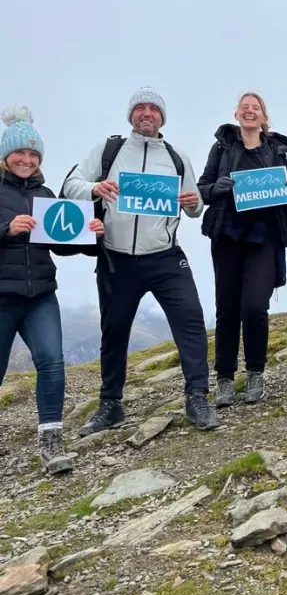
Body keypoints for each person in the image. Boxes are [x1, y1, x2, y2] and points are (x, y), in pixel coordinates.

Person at [62, 86, 220, 433]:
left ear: (162, 117)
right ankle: (110, 405)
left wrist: (193, 203)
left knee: (191, 322)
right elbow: (71, 183)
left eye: (153, 109)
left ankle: (198, 398)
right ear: (131, 115)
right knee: (114, 331)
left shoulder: (177, 157)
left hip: (165, 257)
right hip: (116, 259)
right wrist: (95, 188)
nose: (146, 113)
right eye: (140, 108)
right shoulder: (109, 149)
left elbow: (194, 208)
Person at [0, 107, 105, 474]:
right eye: (20, 153)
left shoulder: (45, 193)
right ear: (5, 156)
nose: (26, 160)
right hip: (2, 297)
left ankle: (51, 443)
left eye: (33, 155)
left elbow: (59, 242)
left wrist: (90, 234)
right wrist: (6, 229)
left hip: (41, 295)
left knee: (52, 363)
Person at [198, 92, 287, 408]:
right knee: (227, 308)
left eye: (255, 108)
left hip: (264, 238)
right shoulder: (222, 148)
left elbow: (285, 193)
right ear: (237, 114)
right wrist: (217, 189)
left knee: (254, 307)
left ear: (264, 117)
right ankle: (225, 379)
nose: (250, 111)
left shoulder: (275, 150)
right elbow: (203, 189)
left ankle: (256, 372)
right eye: (245, 107)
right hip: (227, 237)